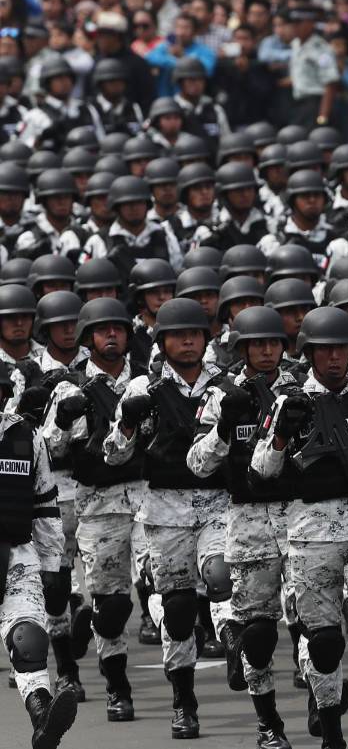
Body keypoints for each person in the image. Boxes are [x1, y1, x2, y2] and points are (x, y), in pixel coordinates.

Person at [250, 306, 348, 749]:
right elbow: (262, 470)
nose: (335, 358)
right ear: (310, 353)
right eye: (325, 350)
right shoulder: (289, 401)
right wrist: (282, 434)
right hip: (309, 536)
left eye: (342, 349)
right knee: (324, 643)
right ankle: (332, 731)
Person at [102, 298, 228, 739]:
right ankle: (183, 701)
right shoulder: (143, 388)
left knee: (221, 576)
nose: (188, 342)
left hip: (217, 505)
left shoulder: (224, 387)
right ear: (162, 341)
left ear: (206, 339)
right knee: (175, 610)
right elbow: (113, 455)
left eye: (195, 334)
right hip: (164, 510)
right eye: (178, 335)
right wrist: (128, 424)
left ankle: (235, 642)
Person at [186, 306, 298, 747]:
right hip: (246, 519)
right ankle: (268, 722)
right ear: (243, 349)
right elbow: (197, 464)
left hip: (301, 515)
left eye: (273, 343)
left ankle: (322, 704)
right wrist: (224, 427)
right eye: (257, 344)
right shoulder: (221, 394)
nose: (267, 351)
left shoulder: (302, 387)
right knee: (257, 632)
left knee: (312, 623)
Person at [42, 298, 145, 722]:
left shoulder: (148, 381)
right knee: (109, 600)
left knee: (160, 588)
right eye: (102, 330)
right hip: (96, 502)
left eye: (118, 328)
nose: (112, 335)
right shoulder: (71, 388)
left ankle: (182, 696)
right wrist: (64, 420)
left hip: (149, 498)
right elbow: (51, 448)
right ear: (88, 338)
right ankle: (116, 688)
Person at [0, 364, 78, 749]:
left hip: (16, 554)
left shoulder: (26, 436)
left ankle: (43, 715)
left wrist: (51, 565)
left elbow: (46, 505)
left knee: (29, 638)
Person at [287, 5, 340, 132]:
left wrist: (323, 116)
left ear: (310, 23)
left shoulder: (321, 48)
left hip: (315, 104)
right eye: (293, 23)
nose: (294, 26)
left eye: (299, 23)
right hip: (298, 103)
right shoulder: (295, 44)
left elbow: (330, 83)